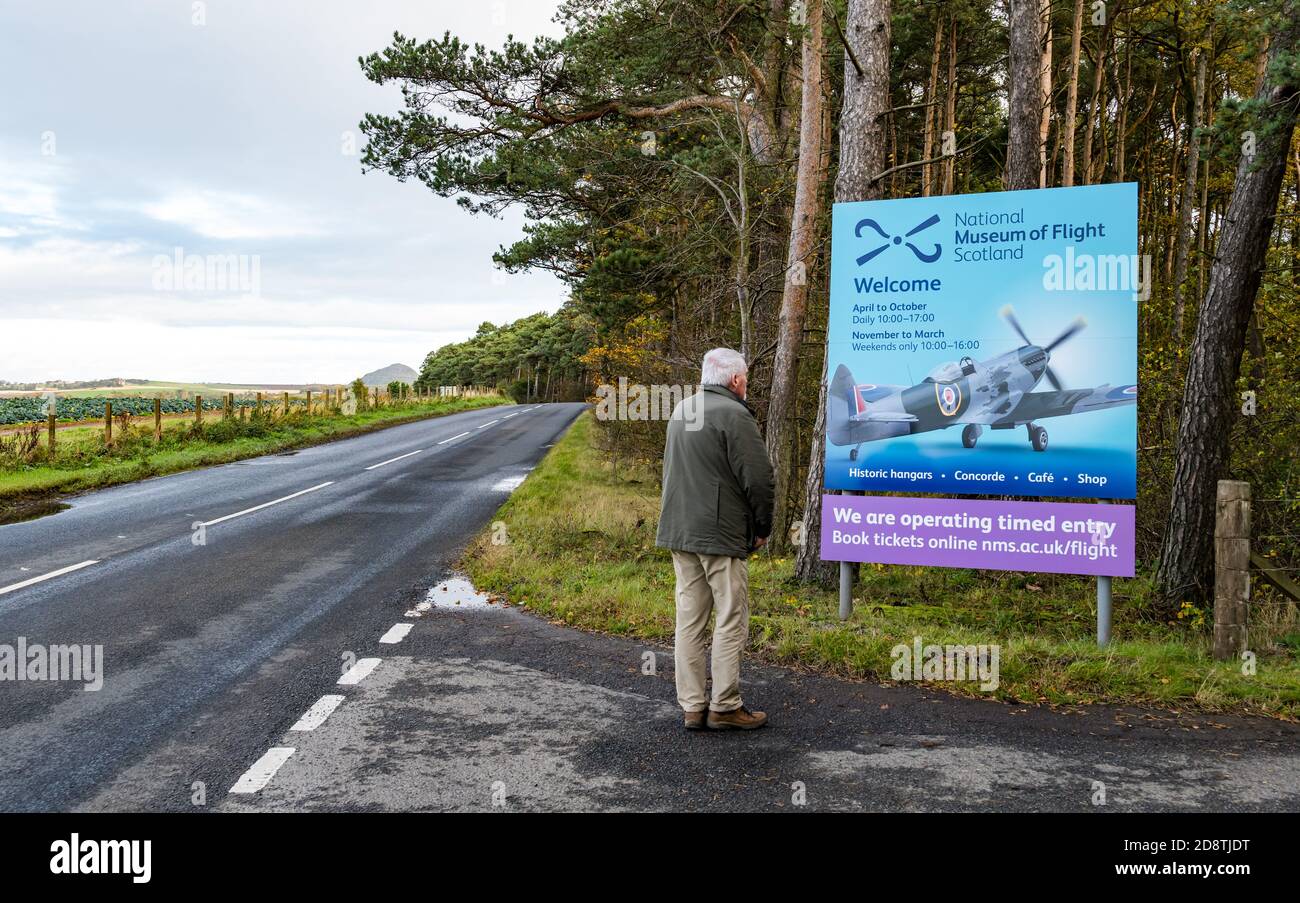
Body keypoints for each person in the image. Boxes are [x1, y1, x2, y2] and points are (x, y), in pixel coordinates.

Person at [655, 348, 775, 731]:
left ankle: (692, 706)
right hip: (720, 535)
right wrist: (762, 528)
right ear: (736, 380)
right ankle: (724, 706)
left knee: (689, 620)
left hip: (680, 530)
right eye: (745, 378)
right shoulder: (735, 415)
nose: (745, 384)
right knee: (729, 618)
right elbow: (759, 479)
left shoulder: (681, 410)